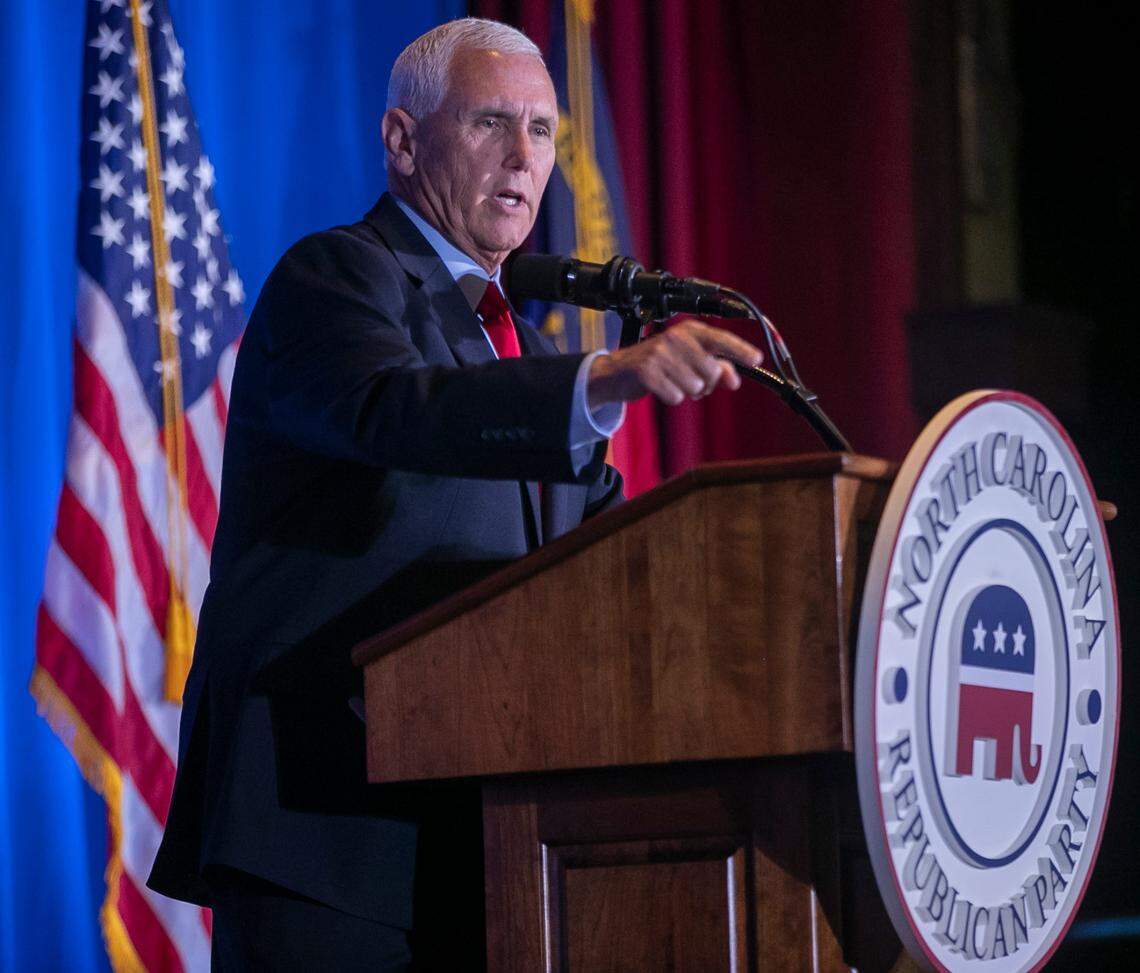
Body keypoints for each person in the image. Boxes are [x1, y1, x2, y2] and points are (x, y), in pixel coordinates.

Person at [148, 17, 763, 971]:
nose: (526, 158)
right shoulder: (337, 277)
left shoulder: (526, 351)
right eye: (491, 124)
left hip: (495, 842)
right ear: (402, 140)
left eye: (544, 131)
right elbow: (393, 410)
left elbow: (612, 552)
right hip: (326, 832)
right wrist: (600, 384)